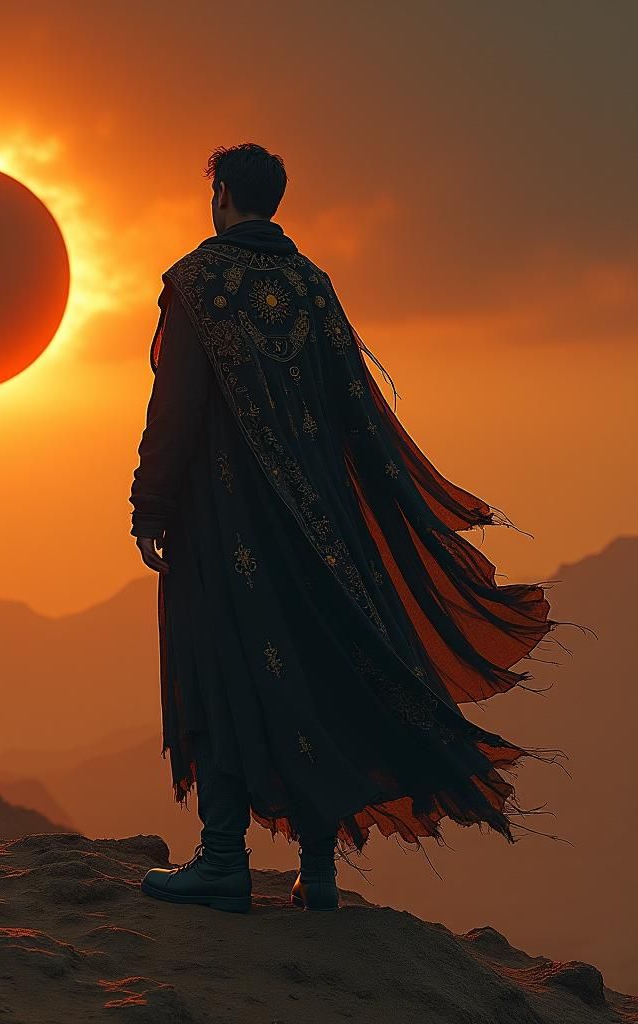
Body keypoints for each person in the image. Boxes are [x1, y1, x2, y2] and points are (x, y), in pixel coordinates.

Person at [128, 142, 574, 914]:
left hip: (225, 522)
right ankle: (320, 871)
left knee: (223, 667)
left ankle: (223, 860)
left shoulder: (197, 284)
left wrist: (150, 506)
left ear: (223, 194)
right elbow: (353, 411)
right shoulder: (312, 286)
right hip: (322, 526)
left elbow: (175, 409)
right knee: (317, 671)